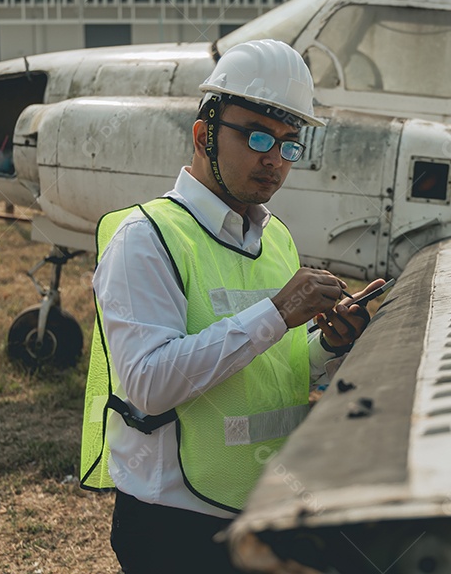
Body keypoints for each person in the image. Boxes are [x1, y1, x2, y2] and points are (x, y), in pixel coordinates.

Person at [79, 39, 384, 573]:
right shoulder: (146, 238)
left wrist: (328, 343)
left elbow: (273, 366)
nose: (274, 159)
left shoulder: (277, 239)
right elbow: (149, 385)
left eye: (290, 143)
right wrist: (277, 312)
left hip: (264, 505)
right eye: (257, 136)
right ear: (203, 135)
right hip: (176, 526)